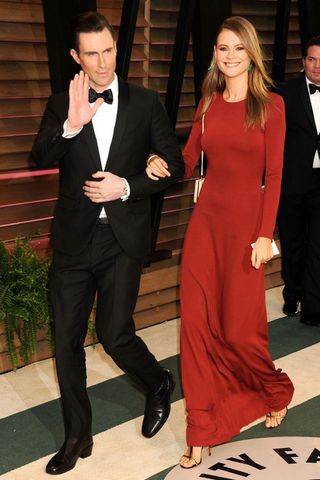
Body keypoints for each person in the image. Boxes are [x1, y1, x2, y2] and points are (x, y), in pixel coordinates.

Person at [32, 11, 184, 475]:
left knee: (115, 335)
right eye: (91, 53)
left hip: (122, 237)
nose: (102, 63)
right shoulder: (63, 104)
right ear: (76, 56)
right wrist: (72, 126)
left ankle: (158, 381)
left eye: (109, 50)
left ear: (117, 48)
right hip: (75, 240)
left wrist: (128, 185)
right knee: (67, 341)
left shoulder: (144, 101)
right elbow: (39, 156)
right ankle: (78, 434)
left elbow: (173, 165)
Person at [146, 16, 294, 469]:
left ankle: (275, 389)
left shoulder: (270, 106)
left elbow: (274, 176)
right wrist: (161, 163)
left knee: (238, 330)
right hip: (206, 227)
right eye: (221, 48)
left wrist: (266, 235)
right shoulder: (208, 103)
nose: (228, 56)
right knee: (195, 326)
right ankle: (201, 429)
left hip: (247, 230)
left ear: (251, 54)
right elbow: (189, 161)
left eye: (237, 49)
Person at [277, 36, 320, 325]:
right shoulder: (284, 93)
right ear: (303, 61)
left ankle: (314, 307)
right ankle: (293, 290)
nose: (317, 67)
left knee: (317, 242)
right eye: (312, 59)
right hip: (293, 181)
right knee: (293, 243)